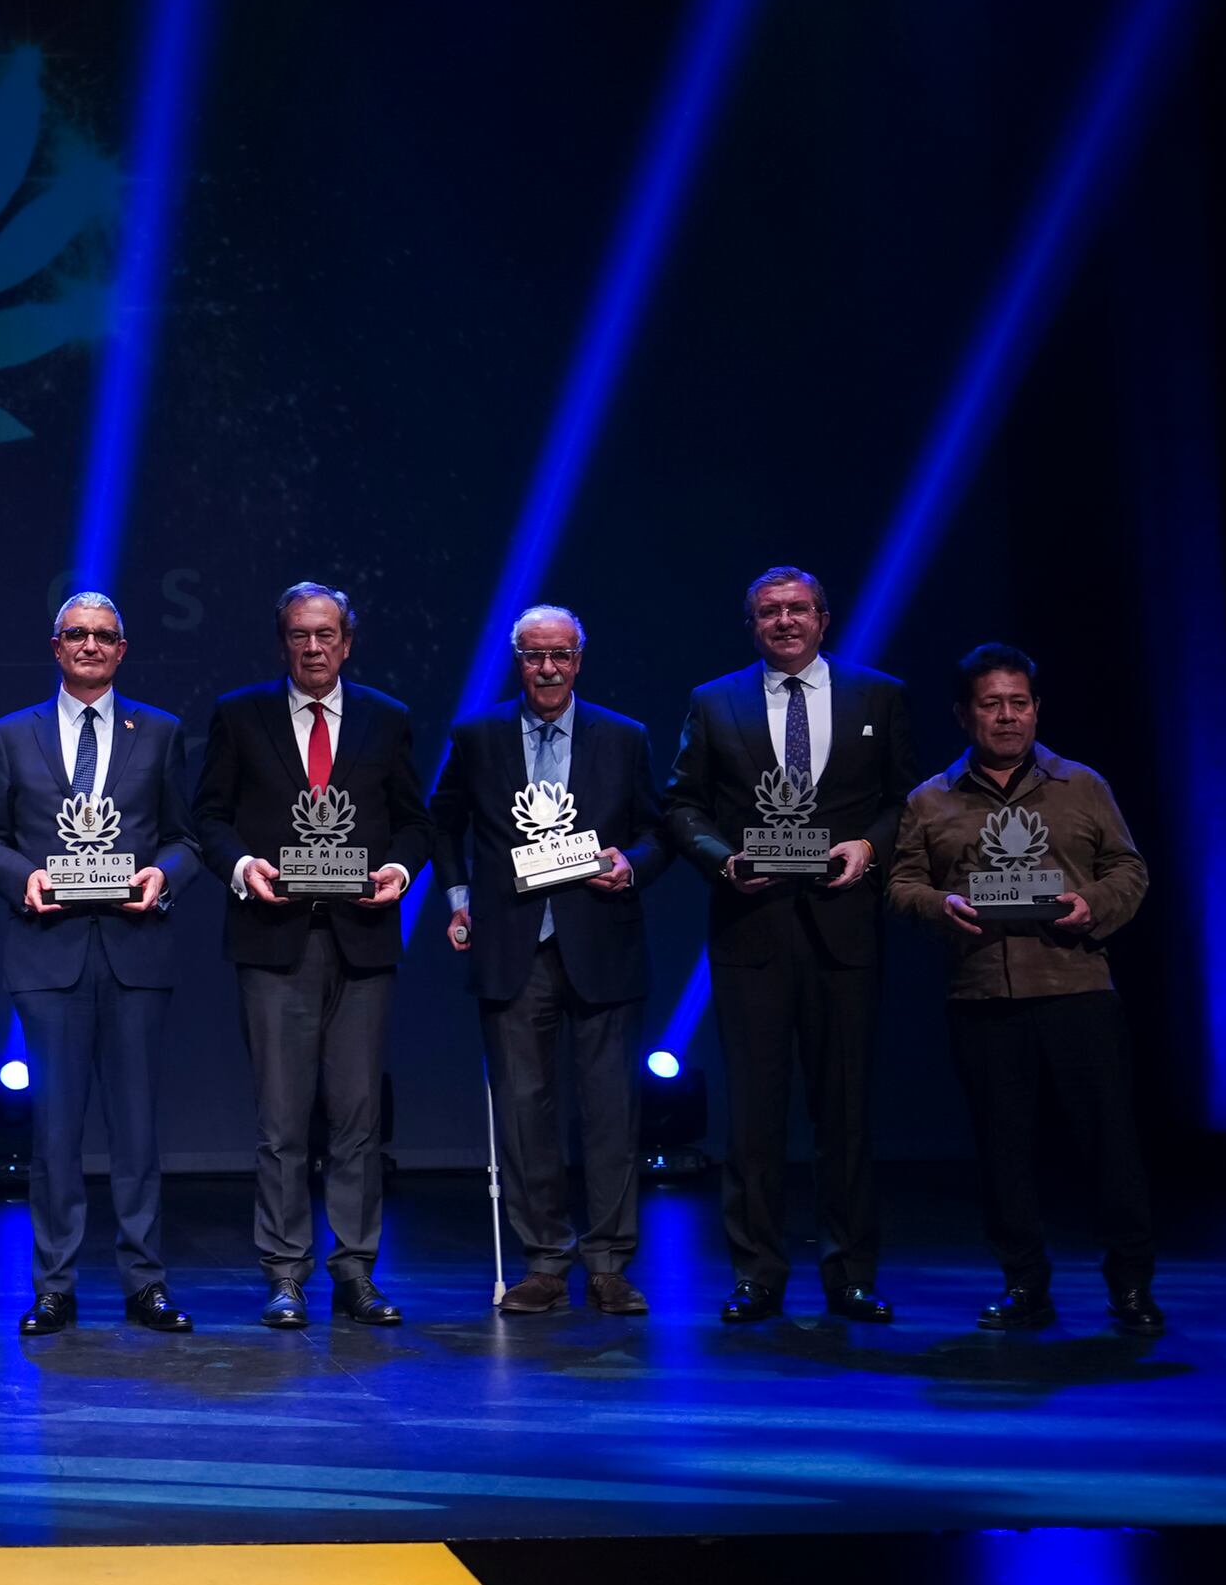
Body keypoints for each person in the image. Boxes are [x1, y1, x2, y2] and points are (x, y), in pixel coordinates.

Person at [661, 565, 915, 1325]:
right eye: (768, 612)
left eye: (797, 609)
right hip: (752, 931)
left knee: (844, 1115)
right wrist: (721, 859)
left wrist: (869, 850)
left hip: (844, 933)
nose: (784, 622)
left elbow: (906, 800)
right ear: (752, 626)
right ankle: (758, 1274)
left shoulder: (879, 695)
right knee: (756, 1118)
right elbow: (681, 804)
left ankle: (850, 1274)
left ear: (824, 619)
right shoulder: (716, 702)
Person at [888, 643, 1163, 1335]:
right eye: (991, 704)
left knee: (1110, 1146)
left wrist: (1092, 904)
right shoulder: (930, 799)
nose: (1007, 717)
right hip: (982, 997)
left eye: (1019, 703)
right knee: (1003, 1151)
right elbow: (901, 884)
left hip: (1076, 987)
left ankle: (1131, 1285)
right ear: (963, 714)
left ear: (1036, 709)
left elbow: (1129, 868)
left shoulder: (1083, 785)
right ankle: (1023, 1285)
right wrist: (937, 907)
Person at [193, 580, 436, 1330]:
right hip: (274, 940)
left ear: (347, 642)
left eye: (326, 634)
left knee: (358, 1118)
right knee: (282, 1120)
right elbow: (209, 816)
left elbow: (414, 823)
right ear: (283, 643)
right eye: (300, 634)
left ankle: (356, 1270)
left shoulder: (385, 719)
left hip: (360, 943)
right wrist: (242, 869)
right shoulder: (241, 714)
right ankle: (285, 1272)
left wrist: (398, 870)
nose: (314, 647)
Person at [0, 593, 199, 1336]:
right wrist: (21, 879)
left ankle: (146, 1283)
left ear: (122, 649)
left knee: (136, 1131)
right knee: (55, 1134)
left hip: (135, 952)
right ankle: (55, 1286)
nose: (91, 645)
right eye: (77, 634)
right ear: (56, 646)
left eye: (105, 635)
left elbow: (186, 839)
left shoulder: (159, 731)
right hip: (49, 952)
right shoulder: (11, 735)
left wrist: (164, 875)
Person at [429, 604, 671, 1315]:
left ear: (579, 658)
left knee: (608, 1110)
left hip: (602, 939)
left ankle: (608, 1264)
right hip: (512, 942)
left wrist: (631, 865)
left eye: (560, 655)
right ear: (517, 659)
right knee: (524, 1110)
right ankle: (542, 1261)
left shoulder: (623, 738)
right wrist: (458, 897)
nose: (547, 668)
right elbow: (442, 822)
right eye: (534, 655)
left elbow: (659, 831)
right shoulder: (478, 736)